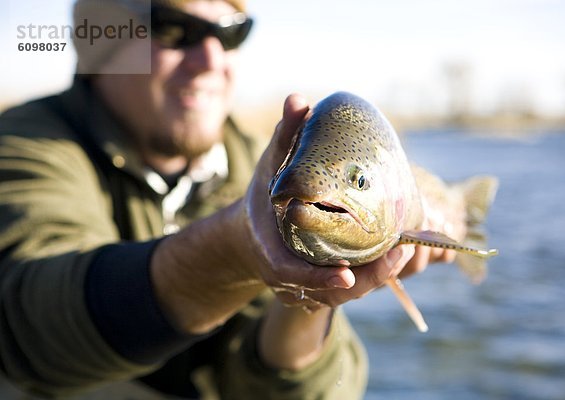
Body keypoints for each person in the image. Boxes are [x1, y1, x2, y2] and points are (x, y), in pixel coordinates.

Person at [0, 0, 455, 398]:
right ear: (102, 43)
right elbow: (30, 329)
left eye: (231, 31)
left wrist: (311, 292)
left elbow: (284, 392)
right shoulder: (26, 144)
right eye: (174, 29)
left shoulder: (266, 173)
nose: (210, 59)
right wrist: (236, 247)